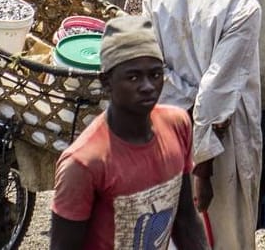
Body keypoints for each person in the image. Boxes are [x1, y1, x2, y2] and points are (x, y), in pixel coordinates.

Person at [143, 0, 265, 250]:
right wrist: (202, 169)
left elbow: (148, 65)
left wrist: (179, 104)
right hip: (219, 144)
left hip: (166, 129)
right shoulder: (242, 5)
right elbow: (217, 91)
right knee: (226, 234)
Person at [51, 15, 208, 250]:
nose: (147, 86)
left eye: (155, 75)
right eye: (133, 77)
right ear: (106, 82)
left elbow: (186, 220)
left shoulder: (177, 125)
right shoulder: (83, 163)